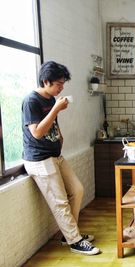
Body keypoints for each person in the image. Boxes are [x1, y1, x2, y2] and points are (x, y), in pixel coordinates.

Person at [22, 61, 100, 255]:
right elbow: (37, 133)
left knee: (77, 190)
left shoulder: (50, 99)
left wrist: (60, 136)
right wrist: (56, 109)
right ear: (46, 81)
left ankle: (68, 235)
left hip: (55, 155)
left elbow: (51, 126)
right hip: (39, 159)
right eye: (58, 83)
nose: (61, 87)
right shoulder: (31, 101)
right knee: (60, 202)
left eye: (63, 83)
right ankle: (74, 241)